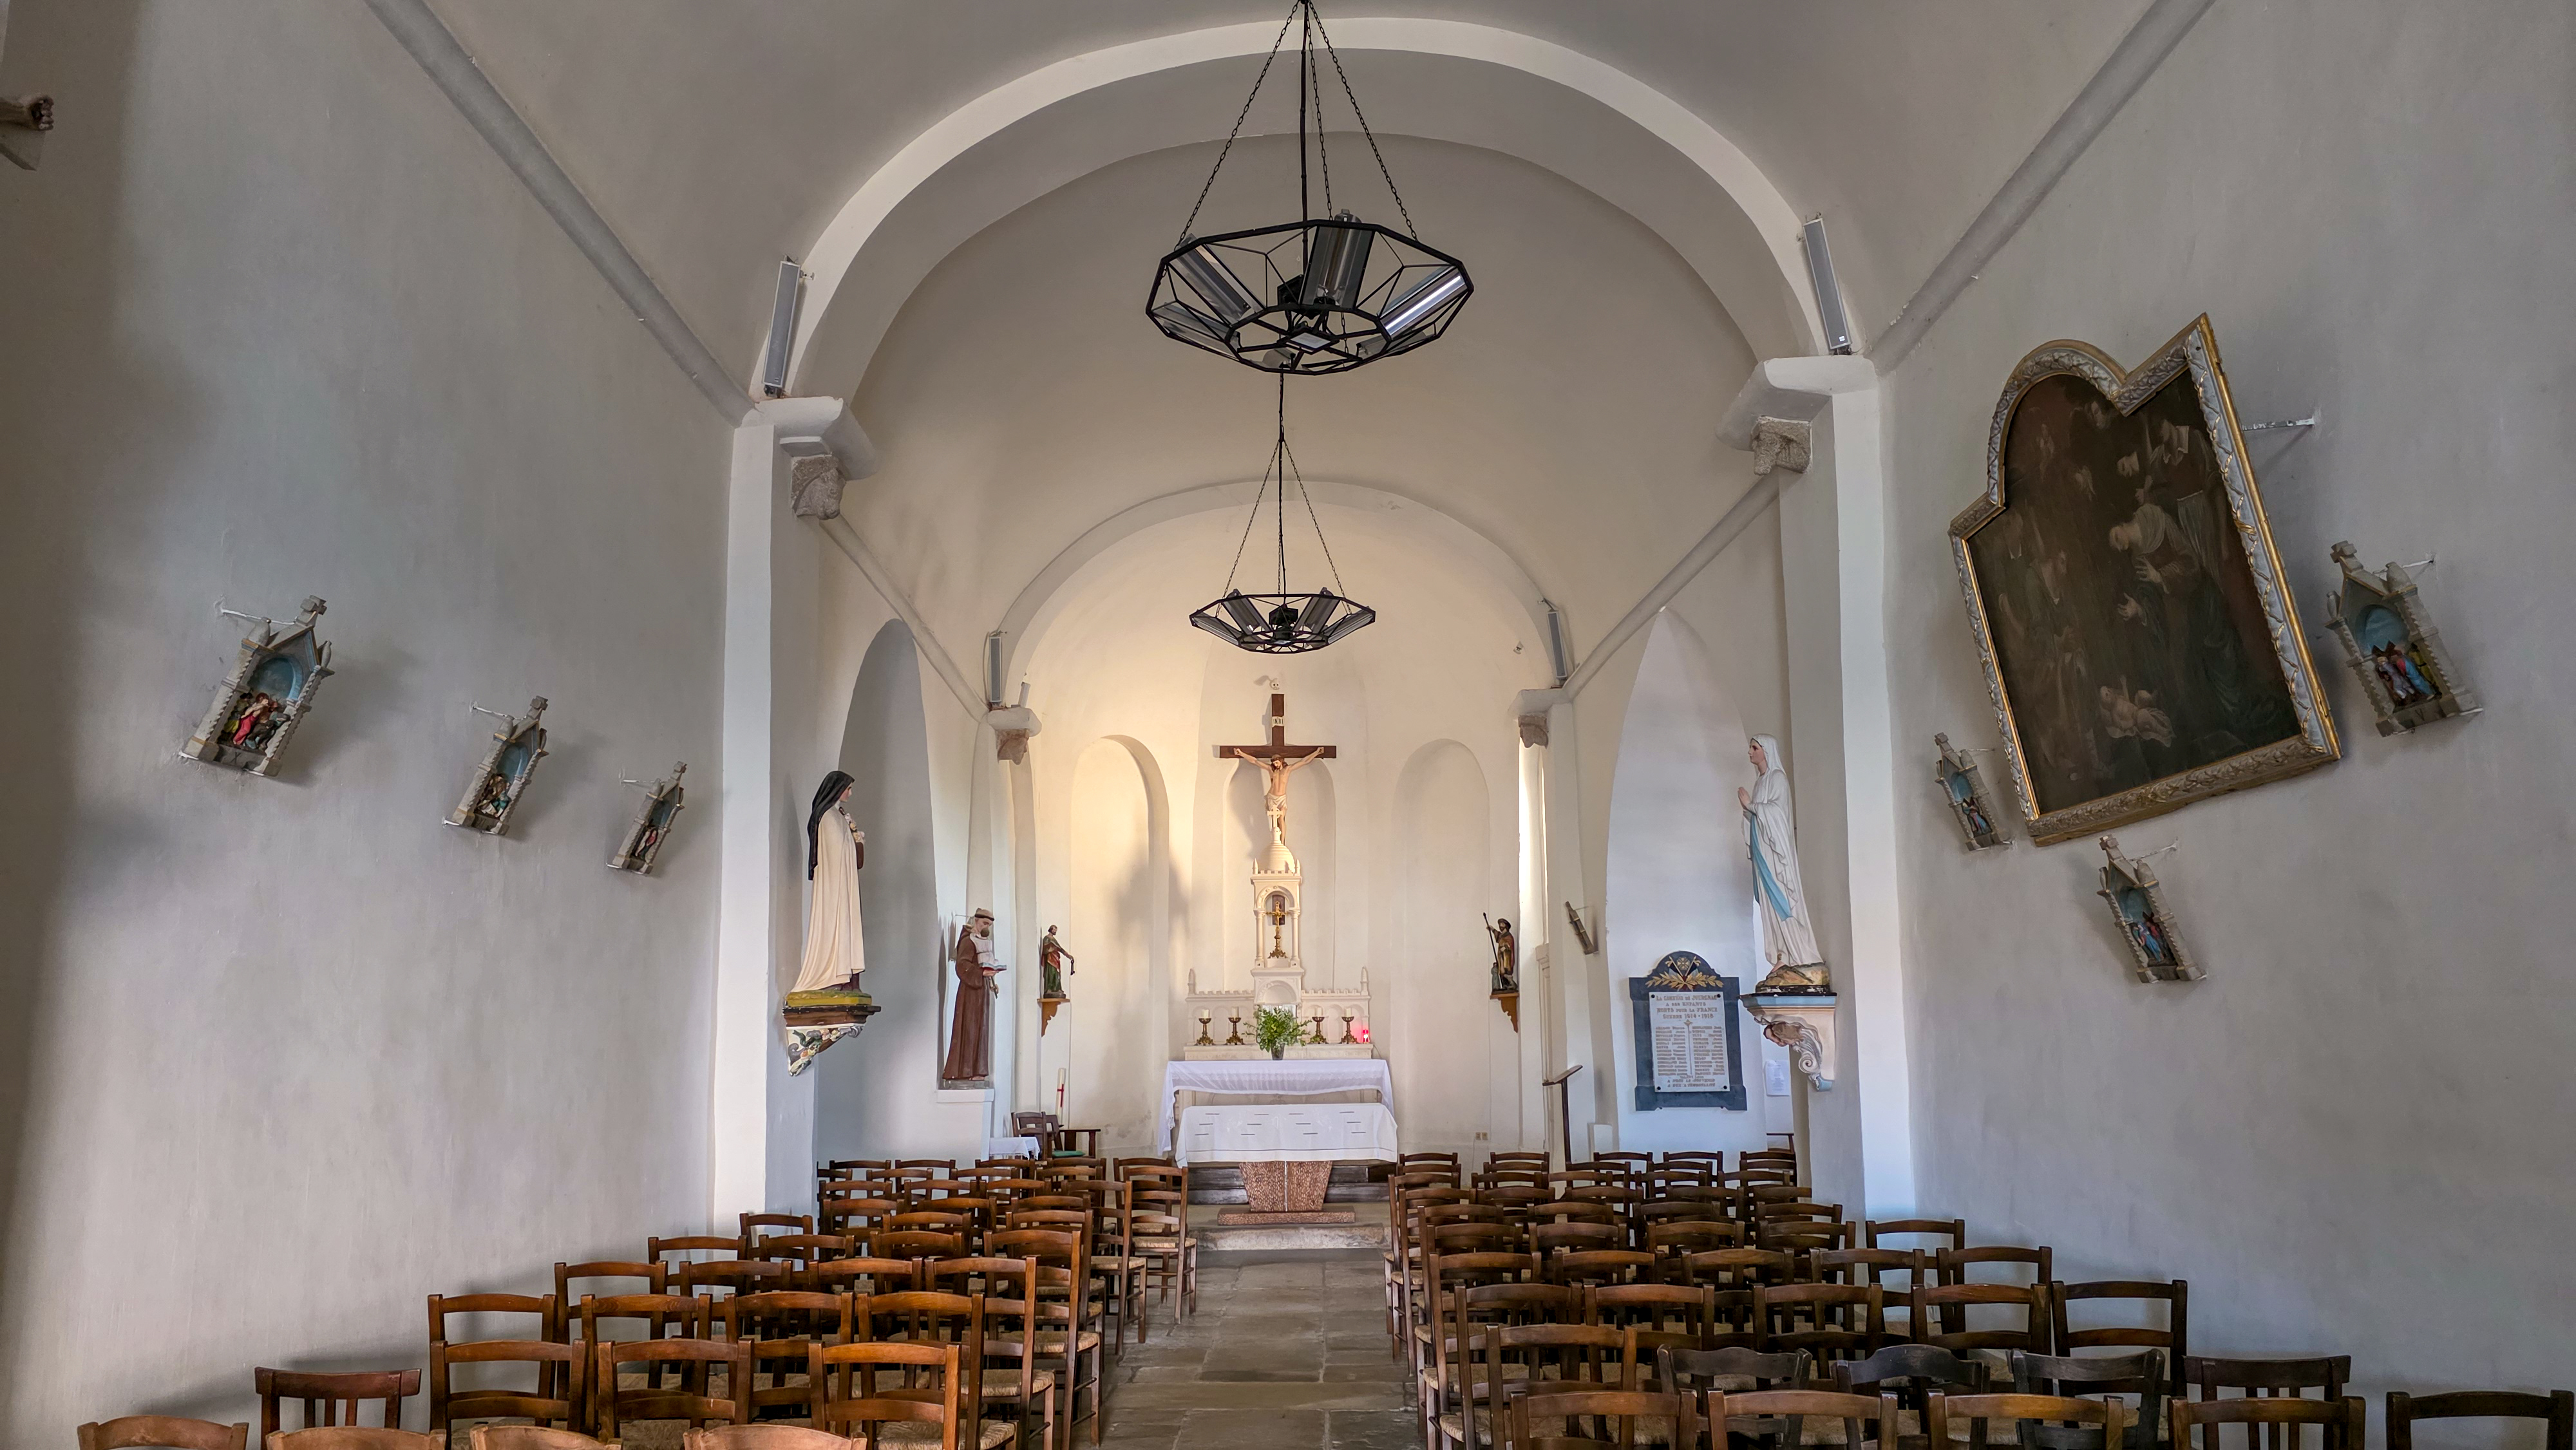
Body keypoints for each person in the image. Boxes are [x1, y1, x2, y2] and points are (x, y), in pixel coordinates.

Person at [1739, 734, 1829, 992]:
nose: (1750, 752)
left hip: (1775, 854)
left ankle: (1799, 954)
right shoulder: (1760, 781)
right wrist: (1750, 811)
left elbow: (1777, 813)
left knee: (1780, 899)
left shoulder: (1777, 778)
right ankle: (1783, 955)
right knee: (1769, 903)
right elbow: (1759, 816)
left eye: (1755, 748)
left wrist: (1752, 806)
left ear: (1767, 751)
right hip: (1762, 850)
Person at [788, 771, 866, 993]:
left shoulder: (838, 816)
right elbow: (837, 852)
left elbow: (849, 851)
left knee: (847, 925)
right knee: (836, 924)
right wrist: (855, 840)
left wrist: (855, 838)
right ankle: (832, 975)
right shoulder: (828, 817)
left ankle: (847, 978)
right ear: (837, 789)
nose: (850, 793)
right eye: (848, 789)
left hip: (844, 883)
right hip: (834, 885)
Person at [942, 909, 1005, 1082]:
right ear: (976, 921)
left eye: (989, 925)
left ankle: (978, 1070)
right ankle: (965, 1071)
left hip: (982, 990)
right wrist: (980, 974)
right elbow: (962, 965)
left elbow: (986, 963)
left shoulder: (984, 942)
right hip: (970, 991)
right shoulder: (968, 941)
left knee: (981, 1028)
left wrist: (992, 981)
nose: (986, 928)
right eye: (984, 924)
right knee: (970, 1027)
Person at [1038, 925, 1075, 1000]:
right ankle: (1049, 989)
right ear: (1051, 930)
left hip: (1056, 959)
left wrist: (1068, 956)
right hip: (1050, 959)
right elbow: (1045, 950)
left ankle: (1057, 989)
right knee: (1051, 973)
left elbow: (1060, 949)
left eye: (1056, 931)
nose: (1055, 932)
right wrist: (1051, 949)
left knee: (1057, 974)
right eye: (1054, 930)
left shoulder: (1054, 939)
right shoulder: (1046, 938)